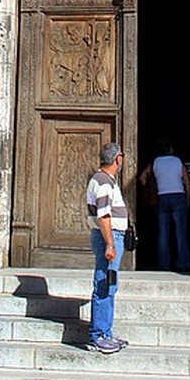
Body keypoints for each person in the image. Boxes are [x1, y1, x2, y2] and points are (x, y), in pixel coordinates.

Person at [85, 142, 129, 354]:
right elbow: (103, 215)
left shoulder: (104, 180)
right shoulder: (103, 182)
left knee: (110, 284)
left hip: (110, 236)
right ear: (117, 159)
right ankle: (98, 335)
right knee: (104, 283)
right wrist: (110, 243)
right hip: (108, 237)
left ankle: (106, 332)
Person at [139, 138, 190, 271]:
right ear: (171, 149)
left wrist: (151, 190)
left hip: (162, 197)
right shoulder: (178, 161)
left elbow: (142, 177)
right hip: (178, 196)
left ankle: (164, 264)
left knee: (163, 232)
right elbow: (187, 181)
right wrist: (187, 199)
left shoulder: (155, 162)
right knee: (180, 232)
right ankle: (183, 263)